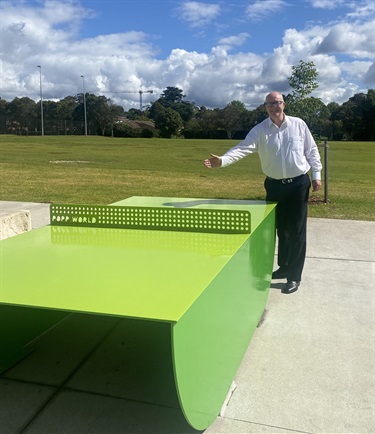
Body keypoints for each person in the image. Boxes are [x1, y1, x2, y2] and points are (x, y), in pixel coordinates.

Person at [204, 91, 322, 294]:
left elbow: (311, 150)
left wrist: (316, 174)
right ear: (265, 107)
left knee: (296, 232)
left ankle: (294, 276)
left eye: (277, 103)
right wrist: (222, 161)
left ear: (283, 104)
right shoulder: (259, 130)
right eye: (269, 104)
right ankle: (284, 268)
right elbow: (243, 148)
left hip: (298, 185)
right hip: (274, 186)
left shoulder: (298, 124)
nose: (273, 107)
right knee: (279, 230)